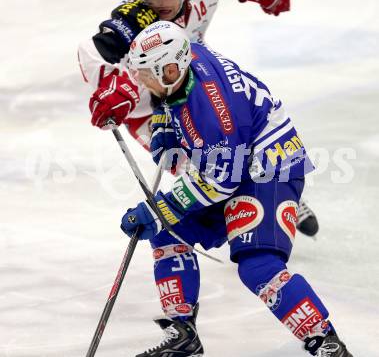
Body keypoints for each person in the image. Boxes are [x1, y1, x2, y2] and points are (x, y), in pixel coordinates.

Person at [120, 21, 353, 357]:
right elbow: (173, 103)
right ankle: (183, 335)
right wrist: (163, 121)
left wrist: (160, 210)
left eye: (145, 74)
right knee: (167, 232)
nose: (140, 81)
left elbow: (220, 181)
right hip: (233, 158)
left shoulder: (214, 115)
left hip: (268, 169)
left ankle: (325, 341)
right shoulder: (185, 59)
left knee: (257, 264)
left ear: (170, 69)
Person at [78, 0, 319, 236]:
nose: (163, 2)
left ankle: (271, 193)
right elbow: (89, 51)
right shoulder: (131, 18)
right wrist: (118, 86)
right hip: (148, 103)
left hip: (196, 82)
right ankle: (233, 212)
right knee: (188, 163)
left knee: (239, 135)